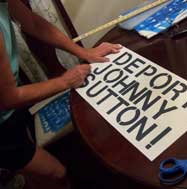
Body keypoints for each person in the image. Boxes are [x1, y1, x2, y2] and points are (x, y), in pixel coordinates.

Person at [0, 0, 121, 187]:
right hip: (3, 121)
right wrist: (65, 81)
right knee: (56, 173)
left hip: (12, 110)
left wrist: (85, 52)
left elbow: (33, 22)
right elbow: (9, 98)